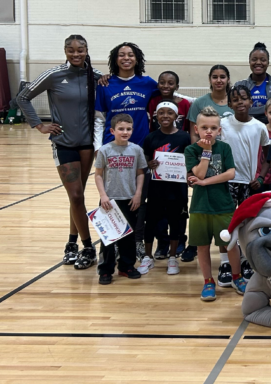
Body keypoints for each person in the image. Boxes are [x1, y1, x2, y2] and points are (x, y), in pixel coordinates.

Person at [16, 34, 101, 267]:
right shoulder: (54, 74)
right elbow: (23, 97)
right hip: (63, 143)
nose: (76, 54)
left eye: (80, 49)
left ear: (86, 50)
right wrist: (39, 125)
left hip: (87, 144)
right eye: (71, 50)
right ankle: (88, 247)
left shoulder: (94, 76)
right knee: (76, 196)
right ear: (65, 51)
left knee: (78, 197)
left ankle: (71, 243)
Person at [184, 106, 247, 301]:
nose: (209, 131)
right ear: (196, 129)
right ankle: (208, 281)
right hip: (199, 207)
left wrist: (204, 183)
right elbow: (200, 173)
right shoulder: (190, 150)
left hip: (224, 205)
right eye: (204, 127)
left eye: (213, 128)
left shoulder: (225, 148)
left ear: (219, 130)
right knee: (202, 246)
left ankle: (237, 277)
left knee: (230, 245)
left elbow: (230, 173)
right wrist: (206, 152)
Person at [217, 84, 270, 283]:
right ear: (230, 104)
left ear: (251, 101)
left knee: (247, 225)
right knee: (225, 224)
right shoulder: (223, 124)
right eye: (235, 99)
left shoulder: (259, 126)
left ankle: (246, 260)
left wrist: (260, 177)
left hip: (249, 184)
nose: (240, 102)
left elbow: (268, 155)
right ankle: (225, 262)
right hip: (227, 182)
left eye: (243, 98)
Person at [94, 114, 147, 284]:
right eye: (121, 129)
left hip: (130, 199)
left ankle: (126, 266)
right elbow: (98, 175)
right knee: (108, 237)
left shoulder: (137, 150)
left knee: (128, 236)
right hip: (109, 200)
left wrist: (138, 194)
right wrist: (103, 195)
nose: (125, 132)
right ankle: (105, 270)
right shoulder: (104, 150)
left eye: (128, 129)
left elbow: (140, 173)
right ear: (112, 131)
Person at [141, 101, 191, 275]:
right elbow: (145, 161)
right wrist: (149, 164)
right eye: (161, 112)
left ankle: (172, 258)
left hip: (177, 188)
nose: (165, 116)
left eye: (169, 113)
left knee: (175, 223)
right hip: (156, 187)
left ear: (176, 116)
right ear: (156, 115)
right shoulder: (150, 138)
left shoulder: (185, 137)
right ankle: (148, 257)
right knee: (151, 222)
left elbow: (189, 160)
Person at [95, 42, 157, 148]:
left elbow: (169, 93)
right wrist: (97, 146)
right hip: (112, 144)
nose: (126, 58)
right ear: (115, 60)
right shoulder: (105, 84)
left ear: (137, 59)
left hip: (140, 143)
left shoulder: (147, 83)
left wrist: (189, 99)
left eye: (131, 55)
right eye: (121, 55)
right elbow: (99, 119)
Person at [234, 42, 271, 124]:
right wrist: (267, 108)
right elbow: (238, 109)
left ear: (268, 62)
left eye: (263, 60)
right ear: (249, 62)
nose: (258, 62)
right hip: (245, 126)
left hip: (270, 127)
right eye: (254, 59)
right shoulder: (240, 85)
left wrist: (249, 110)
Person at [188, 65, 234, 143]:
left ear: (228, 79)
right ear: (210, 79)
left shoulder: (235, 103)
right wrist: (196, 149)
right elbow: (194, 135)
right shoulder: (198, 103)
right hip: (206, 148)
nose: (218, 80)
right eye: (215, 77)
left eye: (222, 77)